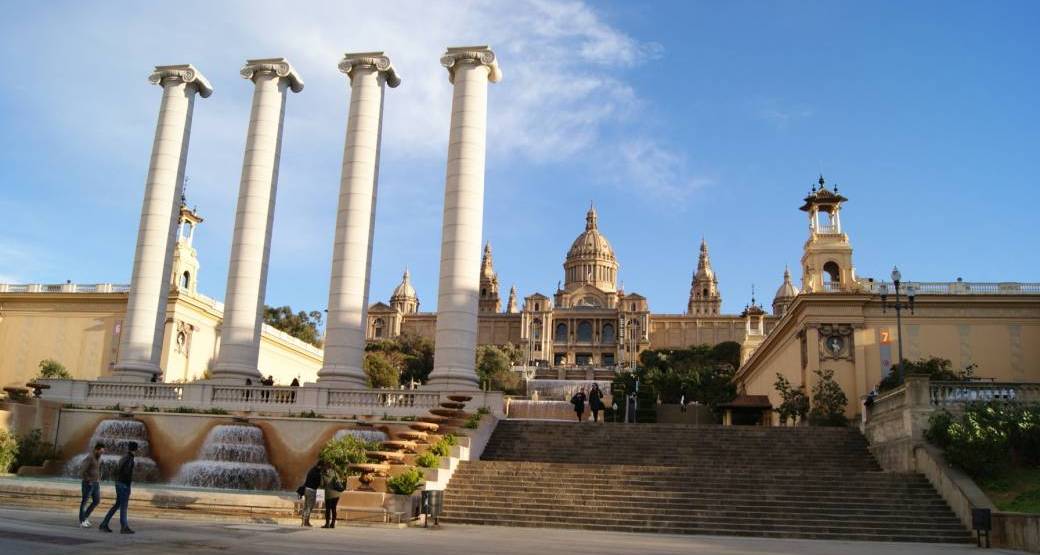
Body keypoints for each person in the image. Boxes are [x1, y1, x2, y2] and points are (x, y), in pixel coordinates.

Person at [99, 441, 136, 534]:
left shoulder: (124, 457)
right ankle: (124, 527)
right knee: (123, 507)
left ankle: (104, 524)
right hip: (124, 485)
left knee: (117, 505)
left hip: (118, 483)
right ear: (135, 449)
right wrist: (128, 485)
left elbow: (118, 470)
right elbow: (126, 472)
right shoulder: (130, 458)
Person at [78, 443, 104, 528]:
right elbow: (82, 470)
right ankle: (82, 521)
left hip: (96, 483)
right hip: (88, 484)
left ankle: (85, 517)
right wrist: (88, 480)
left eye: (102, 452)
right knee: (84, 502)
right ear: (96, 450)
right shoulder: (90, 457)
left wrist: (99, 477)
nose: (101, 453)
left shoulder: (99, 458)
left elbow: (98, 469)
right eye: (100, 451)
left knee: (96, 501)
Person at [300, 460, 323, 527]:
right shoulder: (318, 473)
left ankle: (303, 521)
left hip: (306, 489)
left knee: (305, 506)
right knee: (310, 506)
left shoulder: (311, 470)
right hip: (312, 490)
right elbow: (319, 483)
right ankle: (305, 522)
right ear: (320, 466)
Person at [321, 464, 344, 528]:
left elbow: (322, 484)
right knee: (334, 508)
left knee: (328, 509)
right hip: (337, 494)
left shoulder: (323, 475)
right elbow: (339, 481)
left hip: (328, 495)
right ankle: (333, 523)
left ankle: (327, 524)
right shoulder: (335, 473)